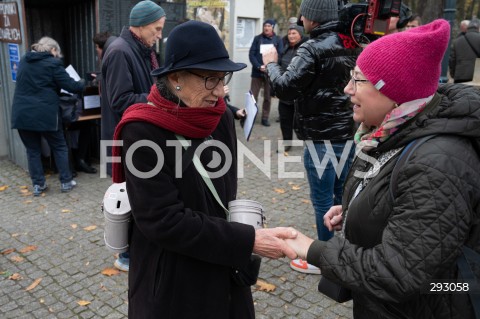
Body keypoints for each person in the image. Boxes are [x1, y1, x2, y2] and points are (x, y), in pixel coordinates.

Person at [285, 19, 480, 318]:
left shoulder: (437, 163)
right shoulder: (392, 130)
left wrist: (313, 250)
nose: (347, 88)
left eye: (358, 79)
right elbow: (398, 197)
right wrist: (356, 211)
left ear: (394, 90)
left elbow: (399, 273)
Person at [111, 20, 298, 319]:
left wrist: (240, 230)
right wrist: (247, 240)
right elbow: (162, 221)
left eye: (222, 77)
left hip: (221, 262)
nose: (221, 90)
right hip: (173, 277)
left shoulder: (219, 116)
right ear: (175, 78)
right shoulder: (142, 131)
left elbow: (225, 190)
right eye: (210, 79)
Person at [262, 0, 361, 274]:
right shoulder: (351, 43)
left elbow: (284, 88)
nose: (300, 18)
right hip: (347, 134)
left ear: (312, 17)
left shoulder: (312, 47)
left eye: (304, 14)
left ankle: (324, 259)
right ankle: (347, 249)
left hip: (320, 139)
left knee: (322, 200)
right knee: (343, 195)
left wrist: (271, 65)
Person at [101, 0, 166, 272]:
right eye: (157, 28)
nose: (160, 35)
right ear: (140, 25)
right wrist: (162, 98)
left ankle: (136, 248)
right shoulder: (119, 51)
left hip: (140, 134)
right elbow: (121, 100)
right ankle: (125, 255)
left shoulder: (141, 48)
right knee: (130, 195)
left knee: (141, 194)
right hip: (126, 138)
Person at [11, 37, 84, 196]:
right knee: (59, 146)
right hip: (46, 114)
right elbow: (71, 86)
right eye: (57, 53)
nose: (58, 56)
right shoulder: (53, 64)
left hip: (22, 113)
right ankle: (66, 181)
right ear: (52, 50)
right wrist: (86, 80)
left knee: (32, 150)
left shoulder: (24, 60)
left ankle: (38, 185)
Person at [277, 24, 308, 151]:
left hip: (300, 94)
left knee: (299, 121)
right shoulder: (285, 48)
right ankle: (286, 142)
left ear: (300, 34)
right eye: (289, 33)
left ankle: (307, 141)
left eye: (294, 33)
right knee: (285, 119)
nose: (291, 36)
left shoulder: (306, 49)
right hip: (285, 92)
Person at [248, 19, 283, 126]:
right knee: (253, 96)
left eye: (268, 26)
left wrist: (271, 67)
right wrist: (259, 66)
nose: (266, 28)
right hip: (257, 72)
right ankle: (250, 116)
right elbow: (251, 54)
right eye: (265, 26)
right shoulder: (257, 38)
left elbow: (280, 55)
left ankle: (265, 118)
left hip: (270, 73)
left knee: (267, 97)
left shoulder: (278, 39)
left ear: (272, 27)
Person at [449, 18, 480, 83]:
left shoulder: (457, 41)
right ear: (478, 27)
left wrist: (453, 74)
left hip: (460, 76)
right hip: (477, 77)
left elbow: (452, 60)